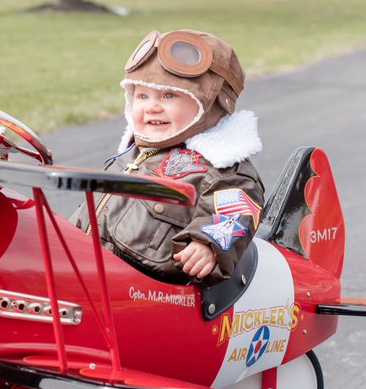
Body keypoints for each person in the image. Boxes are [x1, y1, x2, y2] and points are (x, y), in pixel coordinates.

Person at [72, 28, 264, 284]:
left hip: (147, 291)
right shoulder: (132, 154)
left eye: (169, 95)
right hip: (84, 271)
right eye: (142, 95)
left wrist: (207, 245)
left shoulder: (222, 168)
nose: (151, 106)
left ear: (209, 105)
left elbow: (236, 213)